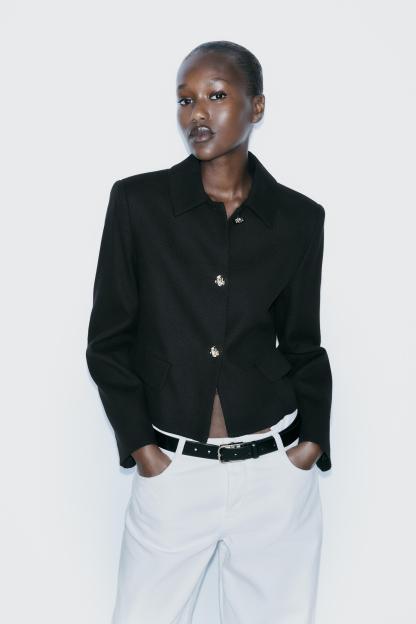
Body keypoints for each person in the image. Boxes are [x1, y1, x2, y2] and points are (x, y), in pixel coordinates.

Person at [86, 40, 332, 624]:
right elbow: (107, 342)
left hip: (275, 476)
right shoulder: (138, 203)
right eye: (185, 100)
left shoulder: (299, 218)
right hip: (173, 473)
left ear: (257, 106)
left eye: (216, 96)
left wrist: (310, 446)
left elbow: (303, 342)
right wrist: (144, 451)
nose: (197, 113)